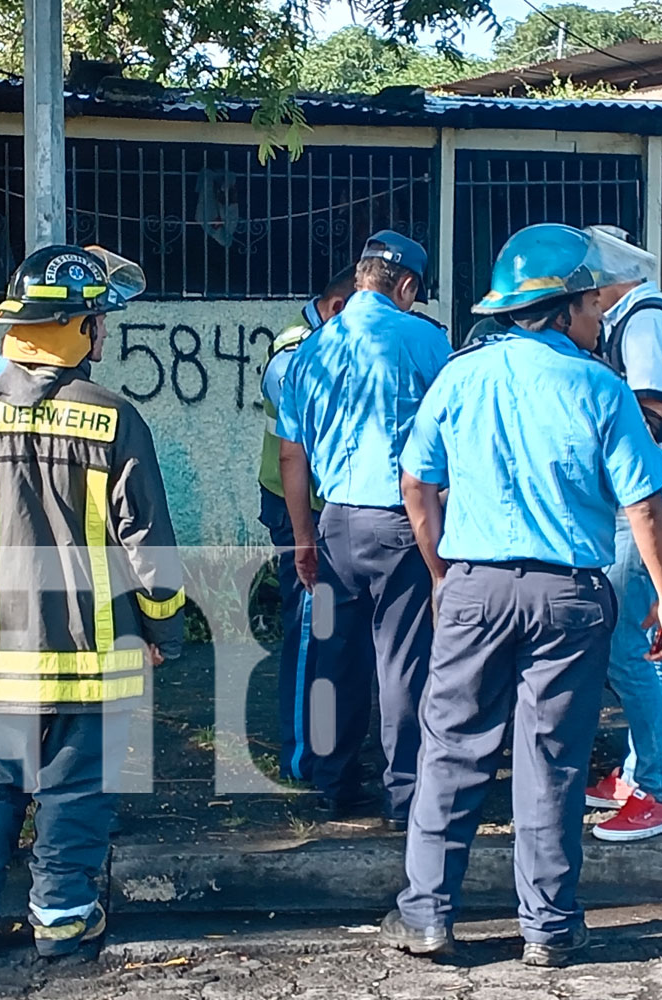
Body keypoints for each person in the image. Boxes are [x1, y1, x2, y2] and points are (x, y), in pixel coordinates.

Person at [380, 223, 662, 967]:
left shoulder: (460, 375)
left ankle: (426, 917)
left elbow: (417, 482)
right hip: (569, 598)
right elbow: (644, 505)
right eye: (593, 305)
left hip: (475, 587)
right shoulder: (599, 386)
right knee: (551, 761)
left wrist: (443, 570)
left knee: (451, 750)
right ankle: (547, 929)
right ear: (565, 307)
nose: (600, 317)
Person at [0, 244, 184, 959]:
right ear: (80, 330)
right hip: (95, 652)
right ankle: (63, 920)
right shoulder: (114, 417)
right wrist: (164, 627)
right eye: (97, 318)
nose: (103, 331)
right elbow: (148, 540)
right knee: (76, 787)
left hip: (3, 645)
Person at [276, 230, 451, 826]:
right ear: (405, 286)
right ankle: (406, 795)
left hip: (332, 526)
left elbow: (290, 457)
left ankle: (335, 783)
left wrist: (303, 536)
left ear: (359, 277)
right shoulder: (428, 342)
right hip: (401, 527)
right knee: (402, 663)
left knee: (334, 657)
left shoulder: (310, 351)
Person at [584, 227, 662, 842]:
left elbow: (651, 415)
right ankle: (636, 773)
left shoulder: (645, 322)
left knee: (631, 649)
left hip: (641, 505)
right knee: (638, 645)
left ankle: (658, 789)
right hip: (639, 501)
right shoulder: (634, 319)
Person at [257, 267, 356, 784]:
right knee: (308, 633)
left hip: (335, 506)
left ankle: (331, 749)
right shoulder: (294, 350)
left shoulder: (335, 343)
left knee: (338, 634)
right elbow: (300, 445)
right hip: (300, 509)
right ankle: (300, 756)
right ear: (339, 307)